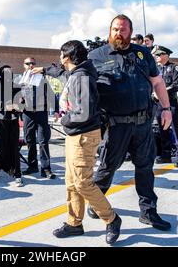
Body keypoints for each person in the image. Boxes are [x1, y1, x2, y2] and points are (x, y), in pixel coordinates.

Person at [87, 15, 172, 231]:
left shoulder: (142, 53)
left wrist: (166, 109)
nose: (119, 33)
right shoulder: (96, 56)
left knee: (145, 168)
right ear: (110, 30)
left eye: (123, 30)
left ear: (130, 31)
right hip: (116, 126)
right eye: (115, 29)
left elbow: (157, 82)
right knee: (108, 166)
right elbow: (83, 86)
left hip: (143, 123)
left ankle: (148, 211)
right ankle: (97, 202)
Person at [38, 40, 121, 245]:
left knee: (83, 183)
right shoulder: (76, 73)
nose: (59, 59)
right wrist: (44, 70)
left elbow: (82, 113)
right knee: (71, 182)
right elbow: (60, 73)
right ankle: (75, 223)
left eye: (61, 55)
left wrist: (63, 118)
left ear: (67, 57)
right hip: (75, 134)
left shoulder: (81, 77)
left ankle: (111, 218)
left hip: (83, 134)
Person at [0, 54, 24, 187]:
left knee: (14, 149)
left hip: (13, 121)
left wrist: (18, 107)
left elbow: (23, 104)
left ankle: (17, 175)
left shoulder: (17, 88)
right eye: (5, 72)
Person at [20, 57, 57, 179]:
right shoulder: (20, 80)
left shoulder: (42, 78)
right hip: (27, 114)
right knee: (29, 140)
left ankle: (46, 169)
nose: (30, 65)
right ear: (24, 65)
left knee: (42, 141)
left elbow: (51, 94)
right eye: (28, 63)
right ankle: (32, 166)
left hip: (41, 113)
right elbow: (15, 95)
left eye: (33, 63)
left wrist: (56, 110)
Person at [152, 45, 178, 167]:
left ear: (166, 55)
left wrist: (161, 92)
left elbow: (175, 85)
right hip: (158, 103)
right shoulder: (155, 69)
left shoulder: (174, 68)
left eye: (159, 54)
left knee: (176, 130)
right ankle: (166, 155)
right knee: (162, 129)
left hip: (171, 103)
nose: (157, 57)